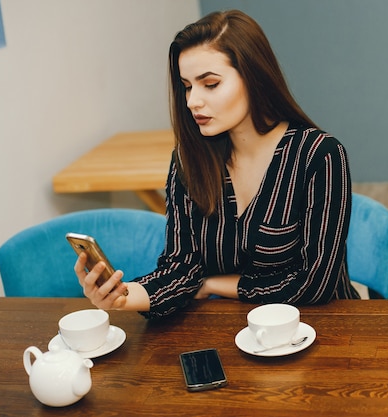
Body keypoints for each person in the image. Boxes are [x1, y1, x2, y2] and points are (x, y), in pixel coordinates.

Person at [75, 10, 360, 319]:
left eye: (210, 84)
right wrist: (123, 297)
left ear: (254, 77)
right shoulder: (189, 158)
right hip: (233, 332)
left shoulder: (319, 155)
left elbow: (315, 285)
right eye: (187, 86)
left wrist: (215, 283)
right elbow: (180, 266)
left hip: (325, 329)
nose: (192, 101)